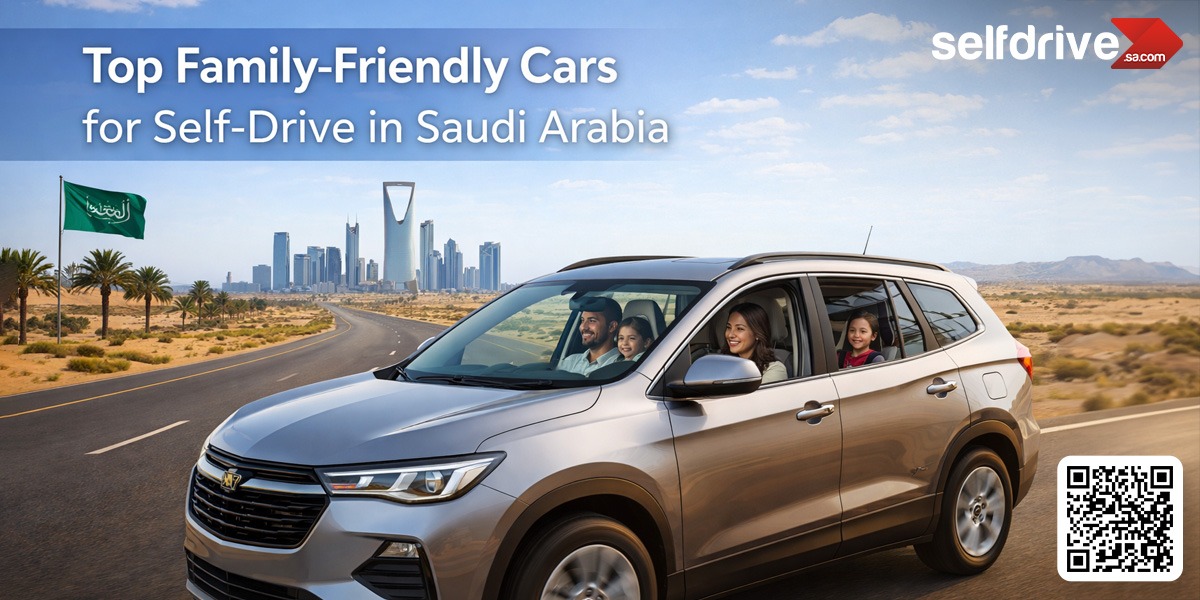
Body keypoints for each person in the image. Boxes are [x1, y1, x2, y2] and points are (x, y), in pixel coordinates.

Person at [722, 302, 787, 384]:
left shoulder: (774, 369)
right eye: (728, 327)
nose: (730, 334)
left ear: (757, 333)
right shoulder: (723, 363)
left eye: (739, 329)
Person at [559, 296, 623, 375]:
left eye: (592, 320)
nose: (583, 327)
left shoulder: (621, 366)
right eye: (582, 320)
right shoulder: (570, 362)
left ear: (612, 326)